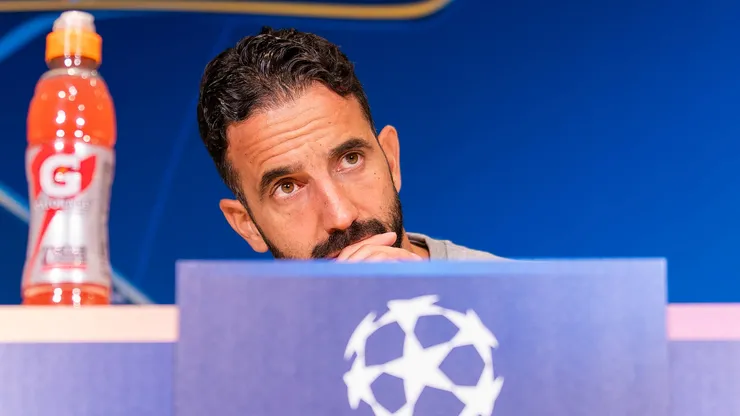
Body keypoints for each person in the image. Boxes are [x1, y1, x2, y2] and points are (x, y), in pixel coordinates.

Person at [196, 26, 504, 262]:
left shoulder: (519, 305)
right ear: (247, 224)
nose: (341, 217)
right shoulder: (233, 331)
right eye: (287, 187)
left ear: (390, 160)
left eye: (350, 159)